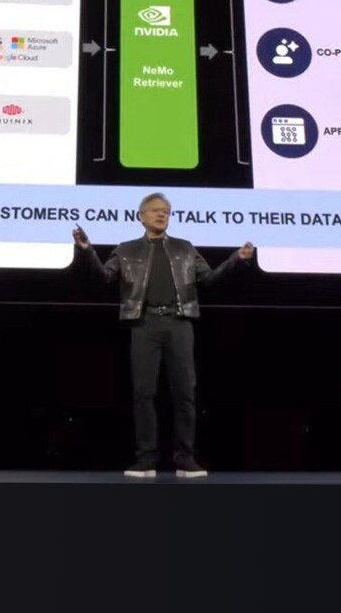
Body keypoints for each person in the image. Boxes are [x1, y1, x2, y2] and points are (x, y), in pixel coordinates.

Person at [72, 192, 254, 479]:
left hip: (179, 323)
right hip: (144, 324)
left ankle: (186, 459)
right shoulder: (126, 250)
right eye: (156, 210)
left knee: (185, 393)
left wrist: (236, 260)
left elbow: (210, 279)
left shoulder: (185, 248)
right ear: (141, 216)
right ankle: (146, 459)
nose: (161, 215)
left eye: (166, 211)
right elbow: (103, 277)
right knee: (144, 393)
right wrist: (86, 251)